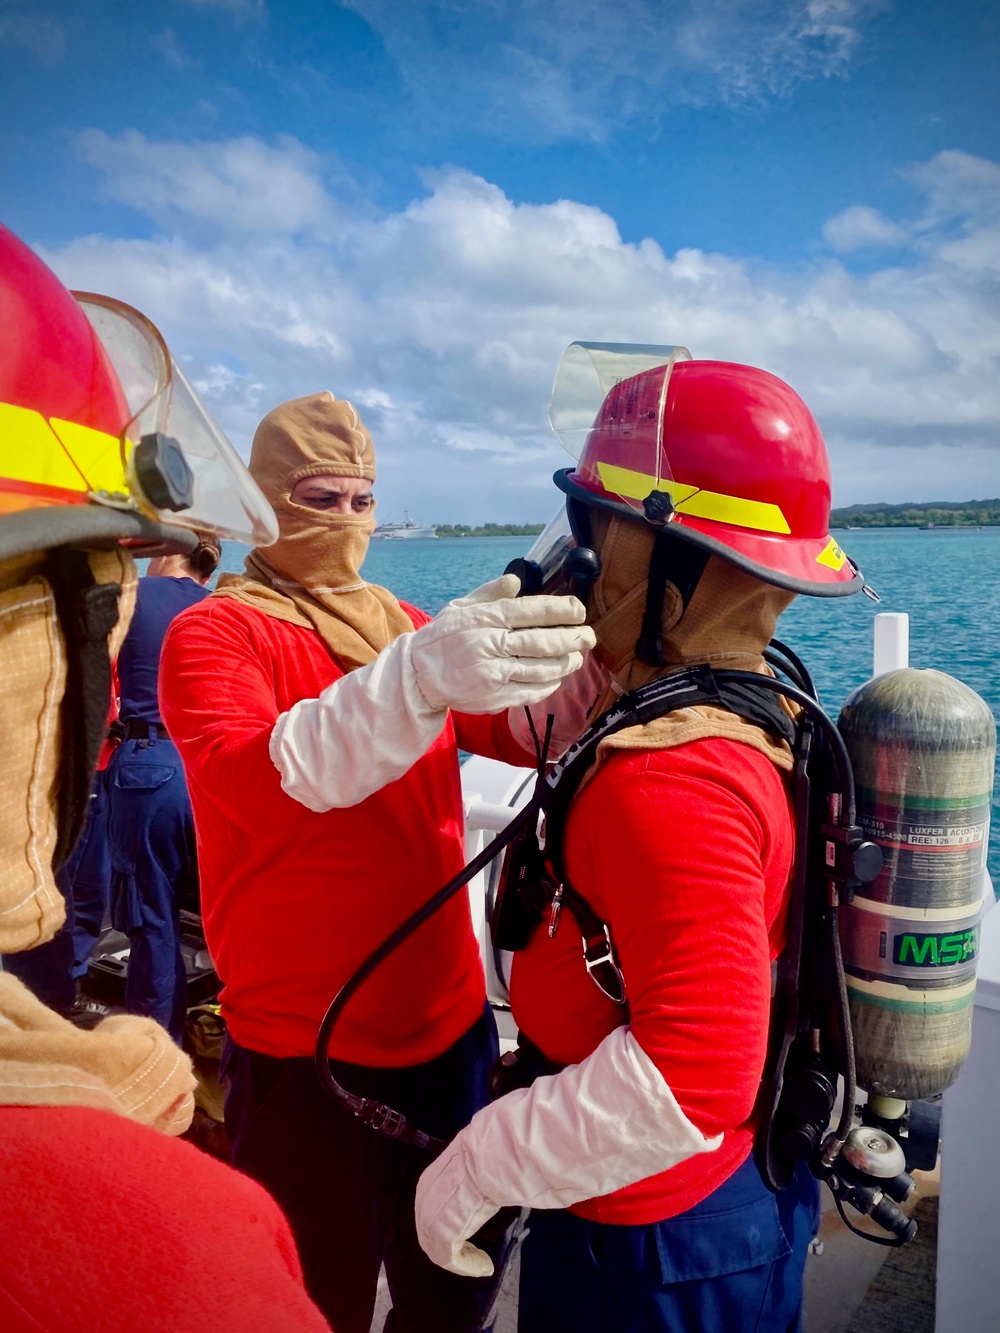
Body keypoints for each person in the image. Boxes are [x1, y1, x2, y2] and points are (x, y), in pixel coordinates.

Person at [415, 352, 865, 1332]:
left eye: (595, 529)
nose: (579, 557)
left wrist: (474, 1167)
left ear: (671, 559)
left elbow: (696, 1071)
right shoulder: (714, 697)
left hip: (659, 1238)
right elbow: (518, 728)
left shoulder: (670, 776)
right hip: (687, 1208)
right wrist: (421, 667)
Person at [158, 390, 595, 1333]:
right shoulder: (215, 631)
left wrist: (584, 664)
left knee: (453, 1292)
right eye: (324, 496)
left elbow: (517, 727)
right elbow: (263, 777)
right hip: (302, 1054)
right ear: (267, 503)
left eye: (364, 499)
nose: (350, 520)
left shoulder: (398, 619)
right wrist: (420, 673)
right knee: (313, 1301)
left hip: (450, 1034)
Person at [0, 220, 329, 1331]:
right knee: (168, 926)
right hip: (174, 776)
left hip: (128, 776)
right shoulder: (175, 1262)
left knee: (116, 917)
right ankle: (173, 1077)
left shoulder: (170, 620)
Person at [107, 535, 222, 1042]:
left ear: (168, 547)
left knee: (153, 921)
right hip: (214, 773)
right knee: (225, 918)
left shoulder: (132, 596)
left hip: (149, 770)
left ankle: (156, 1060)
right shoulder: (224, 606)